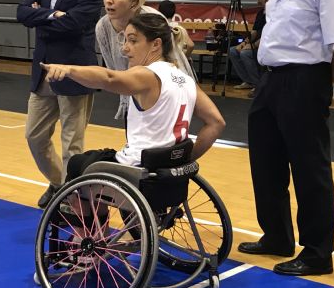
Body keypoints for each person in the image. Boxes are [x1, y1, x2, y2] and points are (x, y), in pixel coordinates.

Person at [238, 0, 334, 276]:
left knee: (309, 169)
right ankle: (276, 236)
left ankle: (318, 252)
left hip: (305, 80)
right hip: (270, 79)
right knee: (266, 162)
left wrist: (322, 86)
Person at [41, 13, 225, 186]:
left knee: (76, 163)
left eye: (133, 40)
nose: (124, 47)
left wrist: (69, 70)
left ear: (155, 44)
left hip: (138, 168)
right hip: (168, 168)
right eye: (125, 39)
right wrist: (186, 158)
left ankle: (93, 217)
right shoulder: (186, 79)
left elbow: (109, 78)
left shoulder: (148, 74)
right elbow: (216, 123)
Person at [16, 0, 103, 209]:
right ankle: (59, 184)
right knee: (34, 136)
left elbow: (77, 23)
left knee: (72, 145)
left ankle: (70, 199)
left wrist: (42, 15)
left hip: (74, 73)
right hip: (43, 73)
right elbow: (22, 14)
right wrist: (54, 15)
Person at [96, 0, 195, 119]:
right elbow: (115, 75)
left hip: (163, 101)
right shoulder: (102, 27)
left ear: (134, 0)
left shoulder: (153, 20)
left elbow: (176, 68)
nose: (108, 0)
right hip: (130, 101)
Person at [228, 0, 271, 96]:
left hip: (266, 47)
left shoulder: (273, 13)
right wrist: (244, 43)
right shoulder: (261, 13)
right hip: (256, 44)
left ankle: (258, 84)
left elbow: (268, 35)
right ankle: (249, 81)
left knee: (246, 53)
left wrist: (253, 46)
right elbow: (254, 32)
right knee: (233, 50)